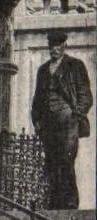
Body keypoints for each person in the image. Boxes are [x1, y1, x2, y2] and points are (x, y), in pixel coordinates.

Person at [31, 33, 92, 209]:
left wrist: (75, 115)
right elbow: (37, 100)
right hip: (49, 125)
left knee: (66, 161)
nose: (54, 50)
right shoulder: (43, 70)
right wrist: (37, 121)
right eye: (51, 46)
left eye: (58, 46)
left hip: (67, 124)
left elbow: (86, 96)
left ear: (64, 45)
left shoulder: (75, 66)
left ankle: (70, 205)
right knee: (51, 162)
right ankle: (54, 205)